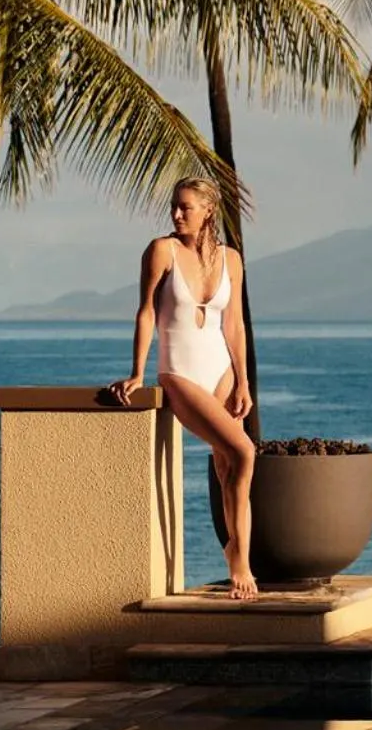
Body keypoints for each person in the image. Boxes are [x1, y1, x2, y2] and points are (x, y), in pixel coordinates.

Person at [108, 177, 259, 599]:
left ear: (208, 211)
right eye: (174, 206)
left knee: (229, 465)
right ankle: (239, 556)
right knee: (244, 452)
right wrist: (137, 372)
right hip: (180, 373)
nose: (175, 214)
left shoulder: (231, 259)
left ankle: (237, 548)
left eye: (185, 207)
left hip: (221, 371)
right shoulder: (162, 251)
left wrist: (243, 380)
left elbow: (234, 324)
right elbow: (145, 313)